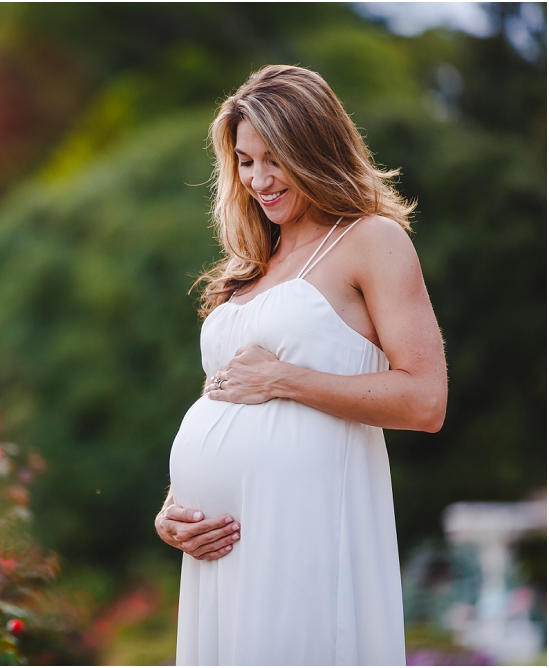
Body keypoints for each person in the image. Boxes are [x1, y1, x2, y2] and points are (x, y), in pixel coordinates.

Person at [155, 65, 448, 665]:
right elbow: (226, 402)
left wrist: (286, 379)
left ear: (315, 149)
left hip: (304, 534)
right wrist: (175, 507)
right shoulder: (248, 269)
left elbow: (425, 400)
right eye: (244, 161)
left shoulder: (370, 241)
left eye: (274, 158)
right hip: (218, 553)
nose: (258, 179)